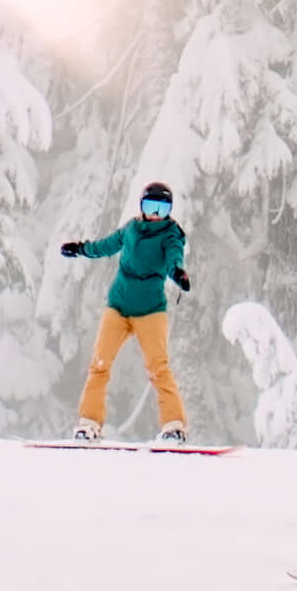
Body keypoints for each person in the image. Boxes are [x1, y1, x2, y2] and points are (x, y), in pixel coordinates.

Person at [60, 180, 192, 443]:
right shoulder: (131, 229)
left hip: (150, 312)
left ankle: (174, 426)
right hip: (118, 308)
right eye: (150, 205)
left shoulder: (170, 235)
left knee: (158, 368)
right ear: (141, 206)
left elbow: (173, 258)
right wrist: (81, 249)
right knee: (99, 365)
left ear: (169, 211)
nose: (155, 213)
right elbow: (106, 245)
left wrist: (177, 272)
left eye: (162, 208)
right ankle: (89, 424)